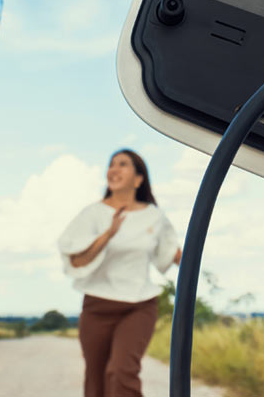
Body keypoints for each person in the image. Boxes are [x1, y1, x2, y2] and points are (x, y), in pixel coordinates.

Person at [58, 149, 181, 397]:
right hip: (98, 306)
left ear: (138, 179)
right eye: (111, 164)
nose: (114, 169)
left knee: (121, 371)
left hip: (139, 305)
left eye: (122, 164)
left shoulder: (154, 216)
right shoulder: (92, 214)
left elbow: (173, 254)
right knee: (96, 378)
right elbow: (77, 261)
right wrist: (108, 234)